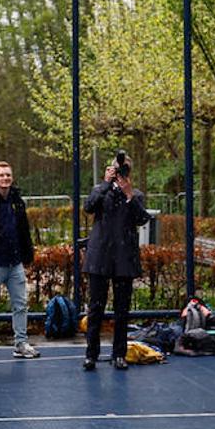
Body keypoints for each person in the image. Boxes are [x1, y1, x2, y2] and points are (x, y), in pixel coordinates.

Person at [82, 153, 150, 371]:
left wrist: (128, 194)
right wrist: (105, 183)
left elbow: (141, 219)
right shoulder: (99, 191)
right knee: (96, 309)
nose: (120, 174)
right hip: (100, 257)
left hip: (123, 259)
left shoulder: (135, 195)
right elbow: (89, 207)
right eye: (117, 170)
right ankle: (91, 354)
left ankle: (119, 354)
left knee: (122, 310)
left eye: (124, 170)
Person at [0, 162, 39, 360]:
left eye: (8, 175)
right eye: (1, 175)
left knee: (20, 304)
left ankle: (20, 343)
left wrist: (27, 254)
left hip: (15, 262)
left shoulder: (17, 201)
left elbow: (23, 229)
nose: (5, 178)